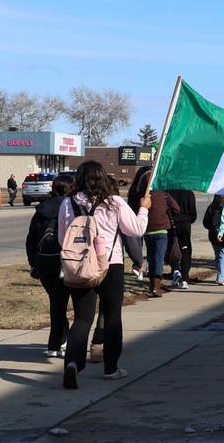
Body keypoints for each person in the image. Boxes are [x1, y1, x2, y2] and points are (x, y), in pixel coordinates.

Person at [57, 161, 149, 388]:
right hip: (110, 264)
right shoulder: (114, 202)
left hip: (80, 267)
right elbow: (136, 230)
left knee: (82, 318)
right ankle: (111, 368)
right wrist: (144, 208)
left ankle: (72, 364)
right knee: (112, 317)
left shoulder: (68, 203)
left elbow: (62, 239)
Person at [25, 173, 74, 358]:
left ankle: (59, 340)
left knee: (56, 301)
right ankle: (57, 343)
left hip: (44, 262)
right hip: (65, 261)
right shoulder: (71, 208)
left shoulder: (41, 211)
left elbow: (31, 240)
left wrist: (34, 264)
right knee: (61, 303)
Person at [136, 171, 181, 295]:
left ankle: (152, 285)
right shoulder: (164, 195)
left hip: (147, 230)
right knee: (159, 258)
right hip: (161, 230)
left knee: (151, 257)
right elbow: (177, 209)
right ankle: (156, 287)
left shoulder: (142, 196)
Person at [166, 188, 197, 285]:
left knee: (172, 247)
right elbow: (193, 212)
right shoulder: (188, 192)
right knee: (185, 249)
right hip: (185, 223)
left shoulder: (168, 192)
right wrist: (188, 220)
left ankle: (175, 269)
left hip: (172, 222)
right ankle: (185, 275)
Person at [125, 167, 150, 280]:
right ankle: (141, 268)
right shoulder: (146, 190)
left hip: (135, 218)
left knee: (138, 245)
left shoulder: (133, 189)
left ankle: (139, 268)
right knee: (145, 246)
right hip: (143, 218)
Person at [203, 195, 224, 285]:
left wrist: (212, 227)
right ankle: (221, 277)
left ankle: (220, 274)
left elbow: (205, 223)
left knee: (218, 256)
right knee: (223, 256)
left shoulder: (211, 207)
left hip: (213, 236)